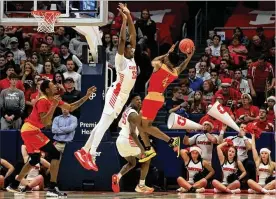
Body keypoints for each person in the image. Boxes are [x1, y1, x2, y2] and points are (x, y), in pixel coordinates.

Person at [74, 3, 138, 171]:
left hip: (122, 97)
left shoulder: (132, 58)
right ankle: (91, 154)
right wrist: (123, 20)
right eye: (129, 48)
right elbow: (124, 39)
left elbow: (132, 35)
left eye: (132, 48)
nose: (132, 49)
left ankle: (84, 150)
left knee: (102, 124)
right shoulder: (121, 60)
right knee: (103, 124)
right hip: (116, 94)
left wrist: (129, 15)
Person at [6, 79, 96, 197]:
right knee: (55, 153)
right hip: (31, 130)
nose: (56, 87)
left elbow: (70, 107)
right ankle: (52, 188)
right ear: (48, 89)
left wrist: (86, 96)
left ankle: (13, 184)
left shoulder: (52, 99)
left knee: (34, 159)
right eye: (53, 85)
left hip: (30, 130)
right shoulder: (43, 101)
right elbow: (46, 121)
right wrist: (53, 106)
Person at [138, 42, 195, 163]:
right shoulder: (174, 72)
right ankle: (150, 148)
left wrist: (167, 53)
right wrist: (190, 56)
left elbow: (154, 60)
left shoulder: (160, 65)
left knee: (144, 126)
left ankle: (168, 142)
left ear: (168, 60)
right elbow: (183, 66)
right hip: (158, 98)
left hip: (152, 97)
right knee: (142, 125)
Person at [112, 94, 154, 194]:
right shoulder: (133, 114)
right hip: (128, 140)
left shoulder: (126, 111)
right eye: (137, 99)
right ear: (131, 100)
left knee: (132, 163)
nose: (140, 101)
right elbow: (132, 133)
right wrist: (142, 149)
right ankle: (141, 185)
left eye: (140, 100)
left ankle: (117, 177)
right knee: (147, 158)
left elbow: (120, 124)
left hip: (120, 141)